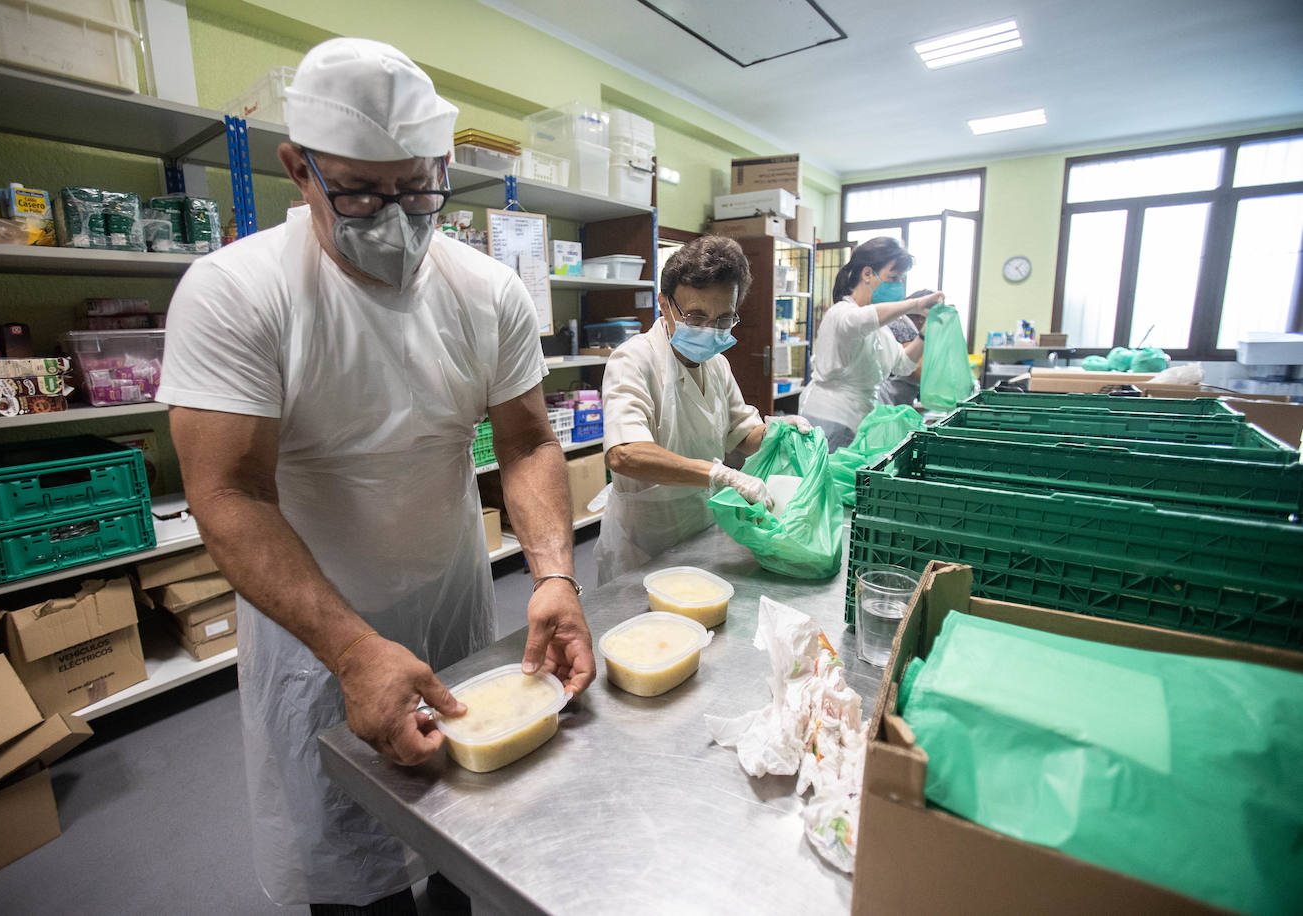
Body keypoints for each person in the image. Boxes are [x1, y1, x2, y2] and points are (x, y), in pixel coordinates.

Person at [156, 38, 595, 916]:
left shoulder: (487, 291)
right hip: (317, 635)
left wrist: (553, 572)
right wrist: (353, 651)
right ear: (298, 167)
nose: (396, 215)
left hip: (453, 603)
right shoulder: (237, 293)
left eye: (419, 186)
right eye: (361, 190)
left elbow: (528, 442)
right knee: (357, 871)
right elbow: (228, 493)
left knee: (468, 842)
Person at [594, 235, 812, 585]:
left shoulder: (717, 365)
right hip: (643, 542)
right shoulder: (634, 360)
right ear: (665, 305)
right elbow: (624, 453)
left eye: (724, 319)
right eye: (696, 317)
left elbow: (743, 433)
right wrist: (720, 475)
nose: (710, 331)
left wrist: (779, 433)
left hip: (701, 530)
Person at [799, 237, 945, 449]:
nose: (898, 286)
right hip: (829, 419)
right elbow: (861, 321)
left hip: (859, 420)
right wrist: (913, 305)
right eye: (893, 278)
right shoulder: (840, 314)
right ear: (867, 274)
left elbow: (903, 363)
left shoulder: (881, 331)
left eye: (900, 280)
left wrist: (924, 333)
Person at [876, 289, 935, 407]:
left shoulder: (902, 325)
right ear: (922, 317)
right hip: (884, 404)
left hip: (892, 404)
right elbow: (920, 372)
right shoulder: (902, 328)